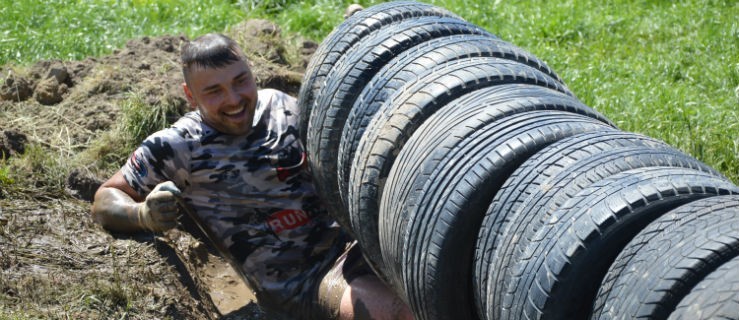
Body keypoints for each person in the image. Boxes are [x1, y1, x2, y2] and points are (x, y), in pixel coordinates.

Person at [91, 33, 412, 320]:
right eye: (214, 91)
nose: (233, 100)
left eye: (240, 81)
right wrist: (143, 214)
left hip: (359, 246)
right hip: (303, 283)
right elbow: (104, 199)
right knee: (393, 313)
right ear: (190, 96)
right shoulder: (176, 146)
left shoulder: (280, 105)